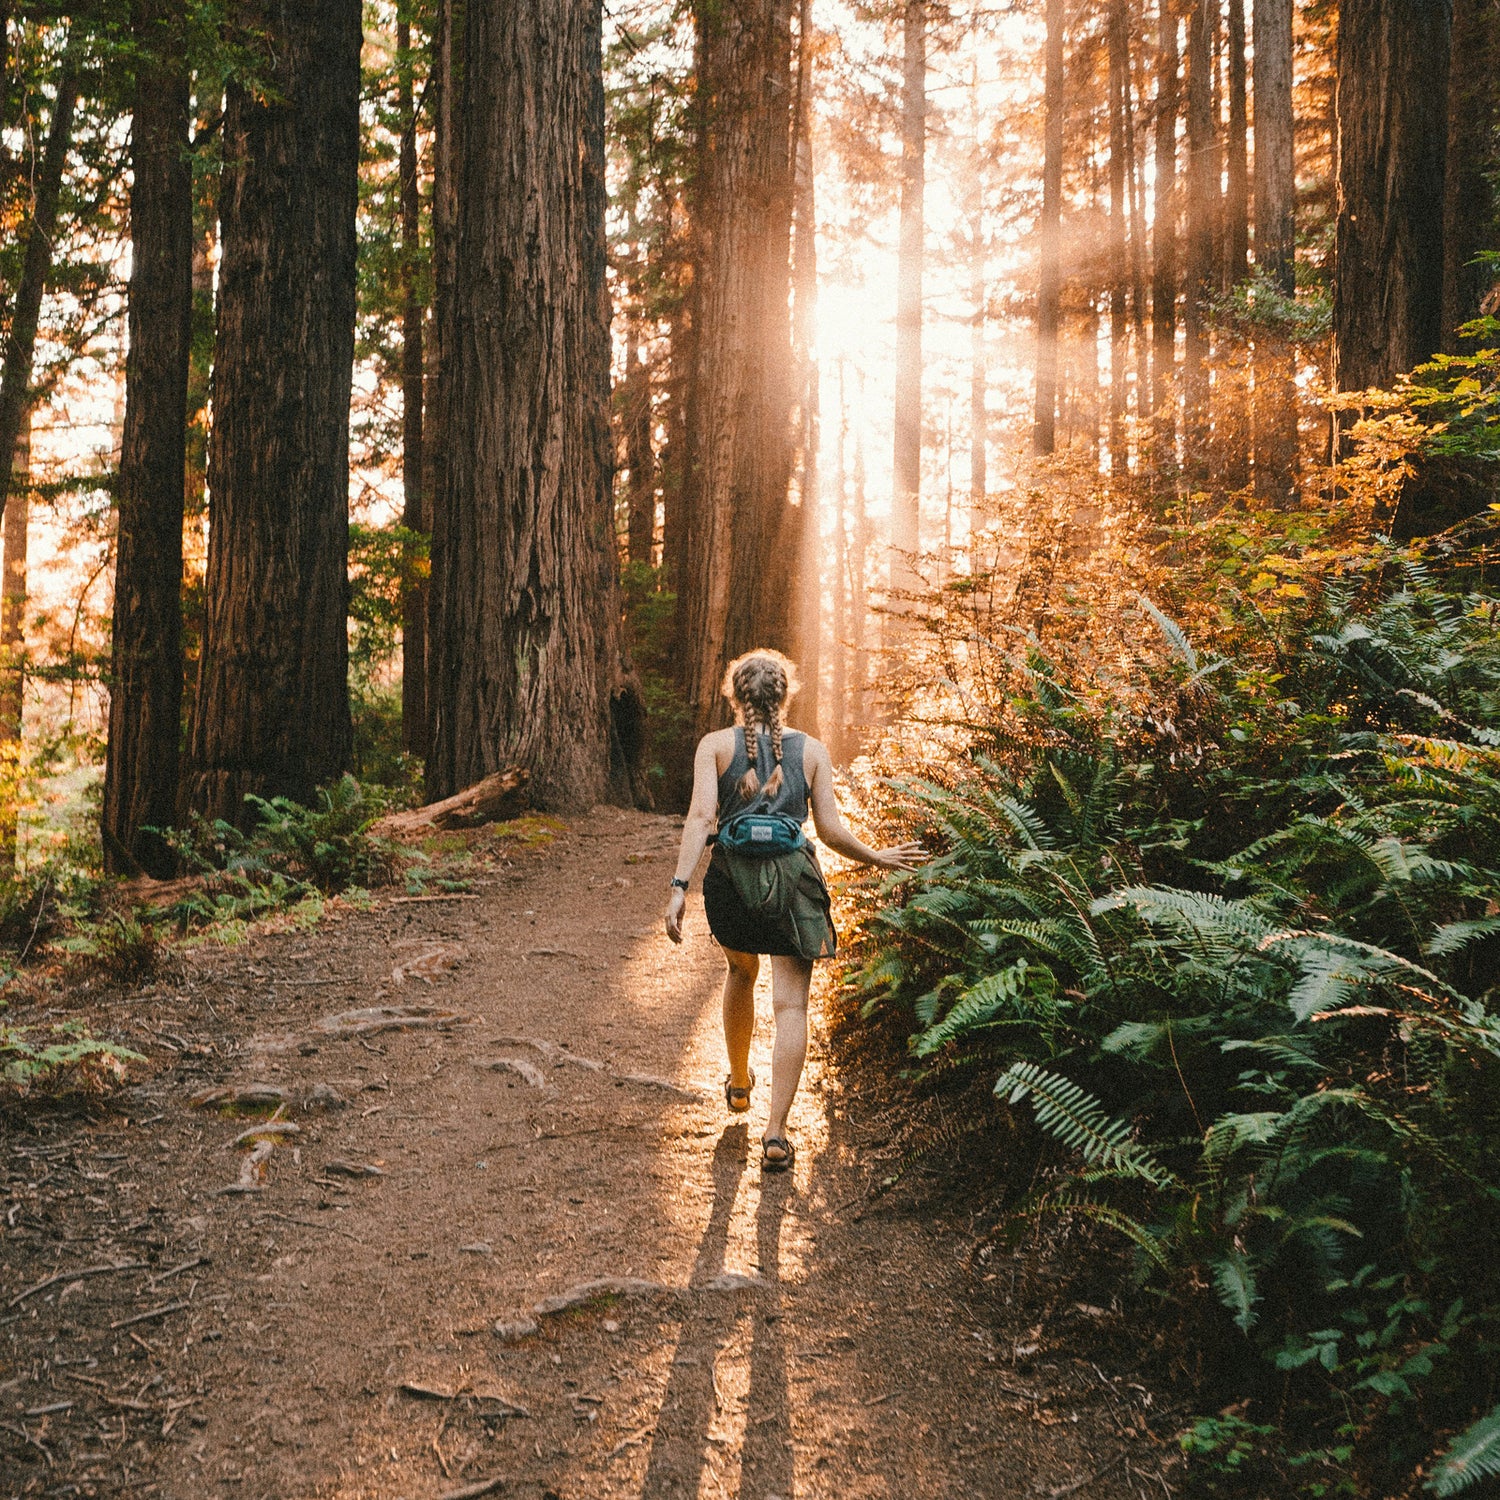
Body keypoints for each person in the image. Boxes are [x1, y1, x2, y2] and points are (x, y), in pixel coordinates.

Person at [664, 649, 923, 1173]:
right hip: (793, 888)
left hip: (730, 888)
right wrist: (877, 855)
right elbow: (828, 831)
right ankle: (776, 1133)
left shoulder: (715, 746)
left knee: (739, 970)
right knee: (791, 1007)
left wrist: (677, 888)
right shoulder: (811, 752)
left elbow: (698, 818)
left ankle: (740, 1084)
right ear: (785, 696)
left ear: (735, 696)